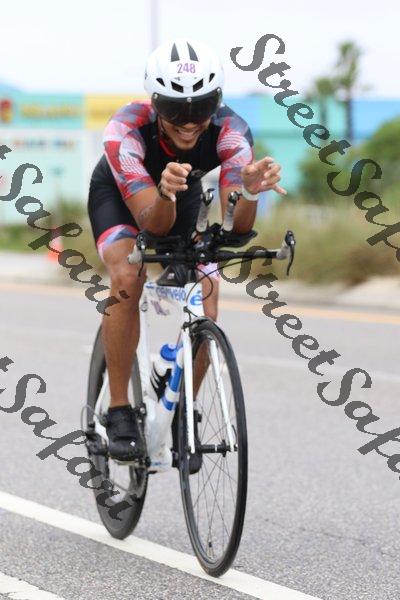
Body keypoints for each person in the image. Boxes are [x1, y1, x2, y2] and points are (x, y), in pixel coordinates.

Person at [88, 38, 286, 462]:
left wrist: (250, 192)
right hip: (124, 198)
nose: (189, 121)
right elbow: (151, 224)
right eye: (176, 109)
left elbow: (237, 227)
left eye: (202, 107)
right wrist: (163, 192)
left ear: (217, 101)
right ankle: (119, 409)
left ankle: (183, 409)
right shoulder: (125, 131)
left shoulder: (232, 131)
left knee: (208, 292)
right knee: (128, 275)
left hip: (182, 192)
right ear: (155, 103)